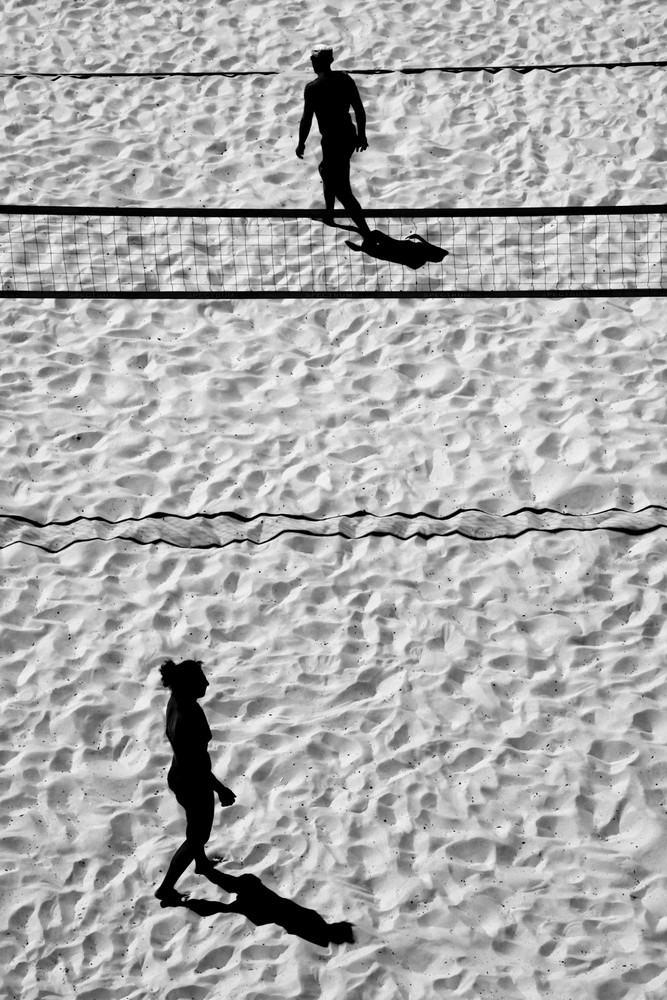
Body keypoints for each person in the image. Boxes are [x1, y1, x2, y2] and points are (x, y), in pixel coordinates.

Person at [155, 659, 236, 906]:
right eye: (201, 681)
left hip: (180, 776)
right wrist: (221, 789)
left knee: (195, 827)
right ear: (189, 685)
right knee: (196, 837)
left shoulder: (177, 702)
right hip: (194, 782)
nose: (207, 683)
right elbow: (197, 766)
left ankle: (200, 864)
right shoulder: (187, 717)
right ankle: (166, 889)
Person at [296, 46, 376, 243]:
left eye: (313, 61)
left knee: (342, 189)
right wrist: (362, 135)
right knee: (327, 170)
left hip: (332, 141)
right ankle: (329, 214)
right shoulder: (344, 80)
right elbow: (358, 109)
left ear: (318, 63)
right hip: (348, 136)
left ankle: (366, 233)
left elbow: (306, 119)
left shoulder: (313, 88)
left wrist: (300, 143)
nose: (312, 64)